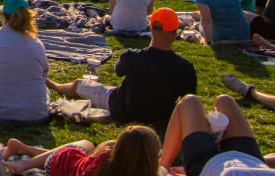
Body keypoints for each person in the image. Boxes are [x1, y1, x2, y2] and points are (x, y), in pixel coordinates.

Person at [46, 8, 197, 126]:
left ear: (150, 29)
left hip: (122, 108)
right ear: (174, 33)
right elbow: (188, 101)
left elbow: (118, 71)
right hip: (161, 115)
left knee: (80, 84)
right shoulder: (185, 68)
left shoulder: (131, 57)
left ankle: (56, 86)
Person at [159, 94, 275, 176]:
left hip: (206, 164)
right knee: (225, 100)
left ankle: (162, 167)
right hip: (249, 158)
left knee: (189, 102)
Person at [1, 125, 164, 176]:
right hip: (64, 164)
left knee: (86, 144)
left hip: (62, 165)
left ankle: (24, 156)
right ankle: (24, 156)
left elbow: (91, 159)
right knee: (85, 147)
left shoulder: (105, 164)